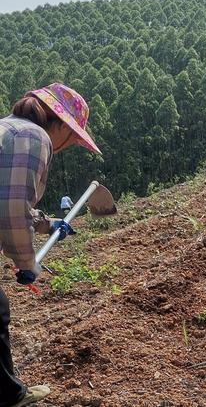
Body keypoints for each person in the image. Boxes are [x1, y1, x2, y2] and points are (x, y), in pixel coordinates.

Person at [0, 83, 101, 406]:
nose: (68, 144)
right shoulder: (33, 137)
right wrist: (26, 263)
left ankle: (9, 392)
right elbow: (12, 209)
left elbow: (11, 200)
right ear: (58, 124)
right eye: (71, 136)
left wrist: (46, 224)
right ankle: (8, 395)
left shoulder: (8, 128)